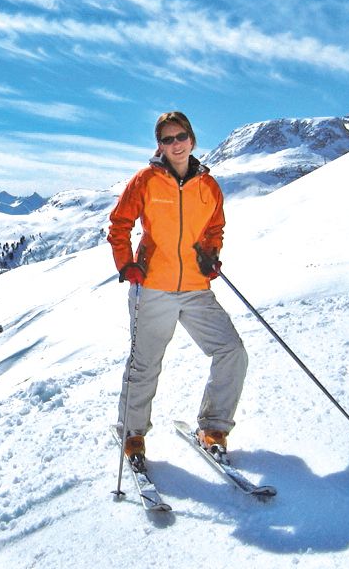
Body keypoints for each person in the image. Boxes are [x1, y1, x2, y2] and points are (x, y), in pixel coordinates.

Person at [108, 111, 247, 464]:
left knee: (231, 351)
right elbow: (119, 224)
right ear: (160, 145)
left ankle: (213, 427)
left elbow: (215, 228)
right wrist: (126, 264)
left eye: (180, 136)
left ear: (192, 138)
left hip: (196, 289)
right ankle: (133, 435)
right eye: (167, 139)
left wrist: (210, 254)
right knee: (145, 364)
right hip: (153, 286)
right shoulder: (145, 181)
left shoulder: (208, 187)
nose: (175, 144)